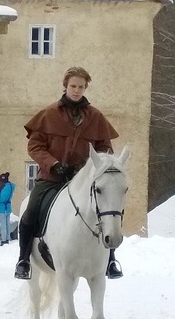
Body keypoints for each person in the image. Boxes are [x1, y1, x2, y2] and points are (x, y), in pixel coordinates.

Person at [14, 66, 123, 280]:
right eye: (73, 86)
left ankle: (110, 260)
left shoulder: (96, 117)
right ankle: (24, 260)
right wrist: (53, 164)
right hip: (52, 178)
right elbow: (35, 147)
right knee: (31, 212)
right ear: (65, 86)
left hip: (84, 182)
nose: (76, 90)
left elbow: (106, 149)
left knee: (110, 210)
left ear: (85, 88)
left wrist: (89, 167)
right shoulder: (48, 114)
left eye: (81, 87)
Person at [0, 172, 15, 246]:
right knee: (7, 225)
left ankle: (4, 240)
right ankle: (7, 238)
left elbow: (2, 199)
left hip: (2, 209)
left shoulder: (5, 188)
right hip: (8, 208)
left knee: (3, 226)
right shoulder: (11, 186)